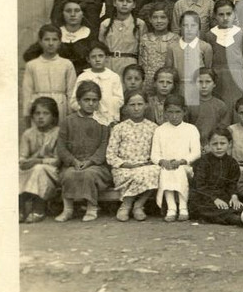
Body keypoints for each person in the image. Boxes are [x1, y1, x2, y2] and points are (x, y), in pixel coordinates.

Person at [56, 81, 111, 222]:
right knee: (68, 174)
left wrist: (91, 161)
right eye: (86, 100)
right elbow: (61, 146)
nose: (90, 104)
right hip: (72, 164)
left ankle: (91, 208)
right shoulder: (68, 121)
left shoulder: (103, 121)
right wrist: (73, 161)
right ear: (79, 101)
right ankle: (67, 209)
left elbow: (104, 145)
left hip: (96, 166)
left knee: (88, 174)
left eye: (94, 100)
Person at [105, 89, 159, 222]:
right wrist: (127, 164)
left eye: (140, 104)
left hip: (146, 167)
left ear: (146, 105)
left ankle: (138, 205)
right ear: (126, 107)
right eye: (132, 105)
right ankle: (127, 205)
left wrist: (147, 163)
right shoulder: (119, 128)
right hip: (125, 168)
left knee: (156, 171)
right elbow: (110, 155)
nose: (136, 108)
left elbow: (158, 152)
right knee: (134, 174)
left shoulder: (153, 128)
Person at [189, 127, 243, 228]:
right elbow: (199, 185)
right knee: (209, 210)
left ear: (229, 144)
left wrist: (234, 196)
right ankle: (239, 220)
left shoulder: (232, 162)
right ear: (208, 145)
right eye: (215, 144)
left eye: (222, 143)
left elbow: (233, 183)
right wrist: (214, 199)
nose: (219, 147)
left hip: (223, 196)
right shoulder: (203, 162)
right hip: (204, 197)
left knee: (238, 206)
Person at [151, 93, 200, 222]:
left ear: (184, 112)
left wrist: (182, 161)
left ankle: (183, 207)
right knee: (167, 171)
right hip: (166, 166)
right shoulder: (160, 130)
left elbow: (196, 152)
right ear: (165, 113)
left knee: (178, 170)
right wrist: (163, 161)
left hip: (185, 166)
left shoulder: (191, 129)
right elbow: (154, 154)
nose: (174, 116)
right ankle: (171, 208)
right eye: (170, 112)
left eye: (177, 112)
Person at [18, 97, 60, 224]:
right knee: (17, 170)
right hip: (32, 168)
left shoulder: (58, 133)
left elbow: (58, 161)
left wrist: (38, 161)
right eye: (37, 113)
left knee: (38, 169)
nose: (41, 117)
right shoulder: (28, 134)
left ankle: (38, 207)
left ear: (53, 116)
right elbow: (22, 157)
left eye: (45, 113)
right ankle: (20, 207)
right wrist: (24, 162)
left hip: (52, 171)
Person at [23, 24, 78, 120]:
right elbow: (27, 91)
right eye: (47, 39)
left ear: (60, 42)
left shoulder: (66, 64)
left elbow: (71, 91)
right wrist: (27, 113)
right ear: (40, 42)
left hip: (60, 106)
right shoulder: (32, 65)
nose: (51, 43)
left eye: (54, 39)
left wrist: (71, 113)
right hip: (39, 108)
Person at [204, 0, 243, 110]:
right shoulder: (209, 36)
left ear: (234, 14)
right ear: (215, 16)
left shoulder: (241, 35)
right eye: (221, 14)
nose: (225, 18)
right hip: (217, 80)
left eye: (229, 14)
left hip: (236, 79)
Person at [71, 41, 124, 126]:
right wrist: (87, 107)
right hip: (87, 118)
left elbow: (119, 100)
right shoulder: (83, 77)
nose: (97, 59)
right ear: (88, 59)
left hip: (108, 118)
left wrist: (105, 103)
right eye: (93, 57)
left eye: (100, 56)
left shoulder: (114, 77)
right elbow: (74, 101)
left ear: (106, 58)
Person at [99, 0, 146, 76]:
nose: (124, 4)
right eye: (121, 0)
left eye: (128, 1)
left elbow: (142, 50)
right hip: (109, 64)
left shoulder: (139, 24)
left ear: (134, 5)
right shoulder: (106, 24)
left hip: (130, 65)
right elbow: (100, 49)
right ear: (114, 3)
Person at [138, 3, 178, 95]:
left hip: (167, 83)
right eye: (155, 17)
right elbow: (141, 62)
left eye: (163, 17)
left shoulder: (175, 39)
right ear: (150, 19)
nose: (159, 21)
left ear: (169, 19)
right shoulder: (145, 39)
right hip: (148, 82)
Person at [186, 67, 232, 146]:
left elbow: (223, 129)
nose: (204, 86)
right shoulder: (189, 105)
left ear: (214, 84)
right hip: (193, 145)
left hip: (214, 146)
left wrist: (211, 144)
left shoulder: (221, 105)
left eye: (208, 82)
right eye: (200, 82)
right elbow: (185, 128)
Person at [52, 0, 95, 75]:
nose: (72, 14)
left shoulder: (91, 34)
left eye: (77, 11)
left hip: (83, 77)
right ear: (62, 13)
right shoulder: (54, 33)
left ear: (83, 14)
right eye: (68, 11)